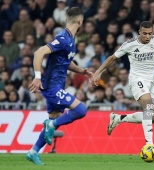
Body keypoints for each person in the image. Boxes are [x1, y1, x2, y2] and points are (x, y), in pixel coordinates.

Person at [92, 21, 154, 159]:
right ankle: (150, 146)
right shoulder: (130, 44)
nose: (147, 36)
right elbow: (112, 58)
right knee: (148, 109)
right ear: (139, 32)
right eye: (144, 33)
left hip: (151, 82)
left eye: (150, 33)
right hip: (137, 80)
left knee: (152, 117)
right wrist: (97, 72)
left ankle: (118, 118)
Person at [26, 7, 93, 165]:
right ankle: (51, 125)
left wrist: (82, 71)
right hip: (51, 86)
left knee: (54, 120)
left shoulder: (70, 39)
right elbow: (38, 53)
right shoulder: (63, 37)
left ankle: (33, 152)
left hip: (57, 86)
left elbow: (66, 62)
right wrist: (37, 77)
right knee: (81, 110)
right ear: (80, 20)